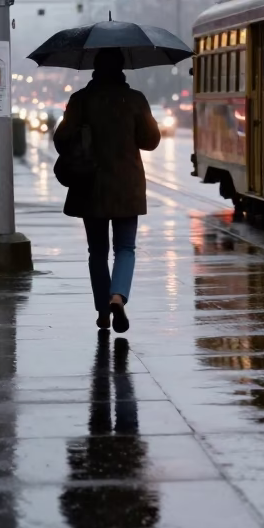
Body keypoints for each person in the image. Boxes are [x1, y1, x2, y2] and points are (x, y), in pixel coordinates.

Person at [53, 48, 161, 333]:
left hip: (91, 185)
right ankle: (117, 296)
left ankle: (103, 311)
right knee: (125, 248)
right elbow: (150, 141)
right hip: (127, 186)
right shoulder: (135, 99)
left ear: (95, 68)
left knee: (97, 251)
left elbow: (61, 140)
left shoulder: (80, 100)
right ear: (122, 68)